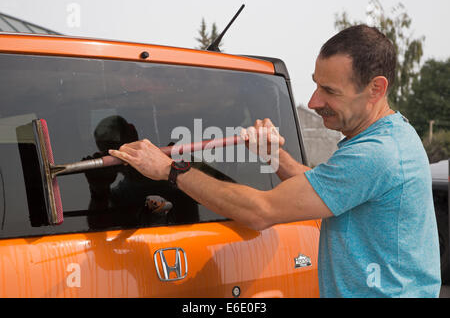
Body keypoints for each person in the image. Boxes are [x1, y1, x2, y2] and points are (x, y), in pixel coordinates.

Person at [109, 25, 441, 297]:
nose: (313, 101)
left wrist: (171, 169)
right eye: (314, 85)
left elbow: (260, 212)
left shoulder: (377, 153)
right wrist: (273, 155)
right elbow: (327, 188)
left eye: (330, 91)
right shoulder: (392, 134)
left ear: (376, 89)